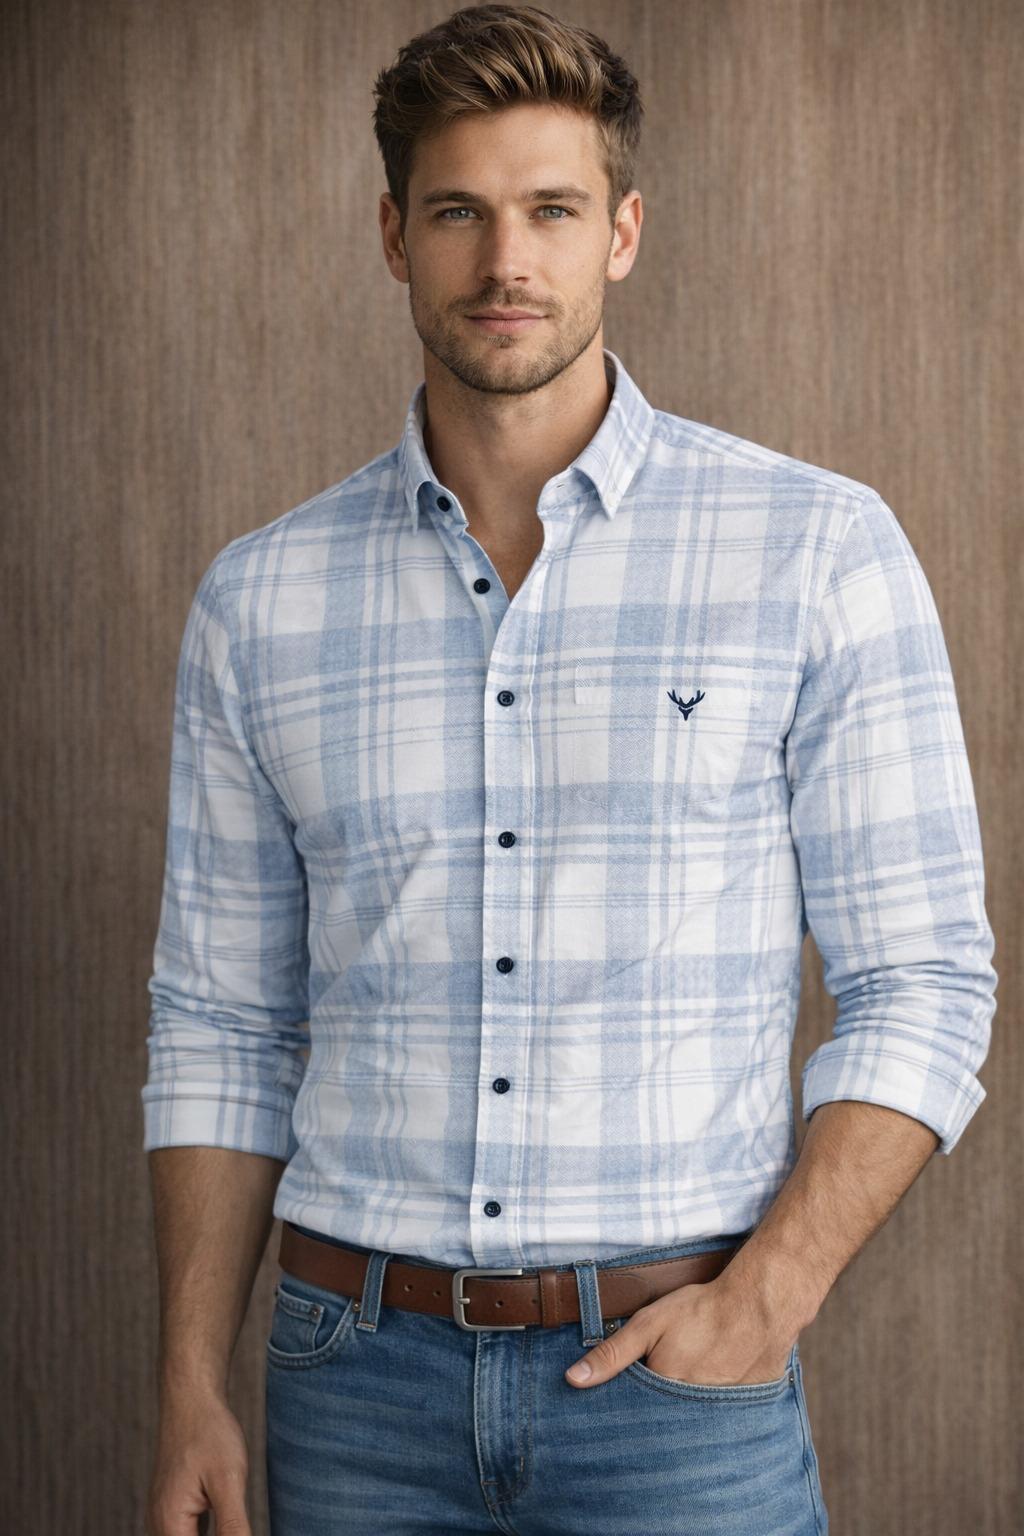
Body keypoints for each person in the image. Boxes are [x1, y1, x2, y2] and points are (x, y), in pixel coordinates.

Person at [141, 6, 997, 1535]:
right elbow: (221, 1020)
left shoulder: (813, 551)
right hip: (351, 1386)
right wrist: (190, 1380)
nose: (504, 261)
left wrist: (768, 1300)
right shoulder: (260, 600)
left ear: (623, 232)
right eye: (457, 213)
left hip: (679, 1391)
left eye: (550, 209)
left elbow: (924, 980)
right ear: (394, 237)